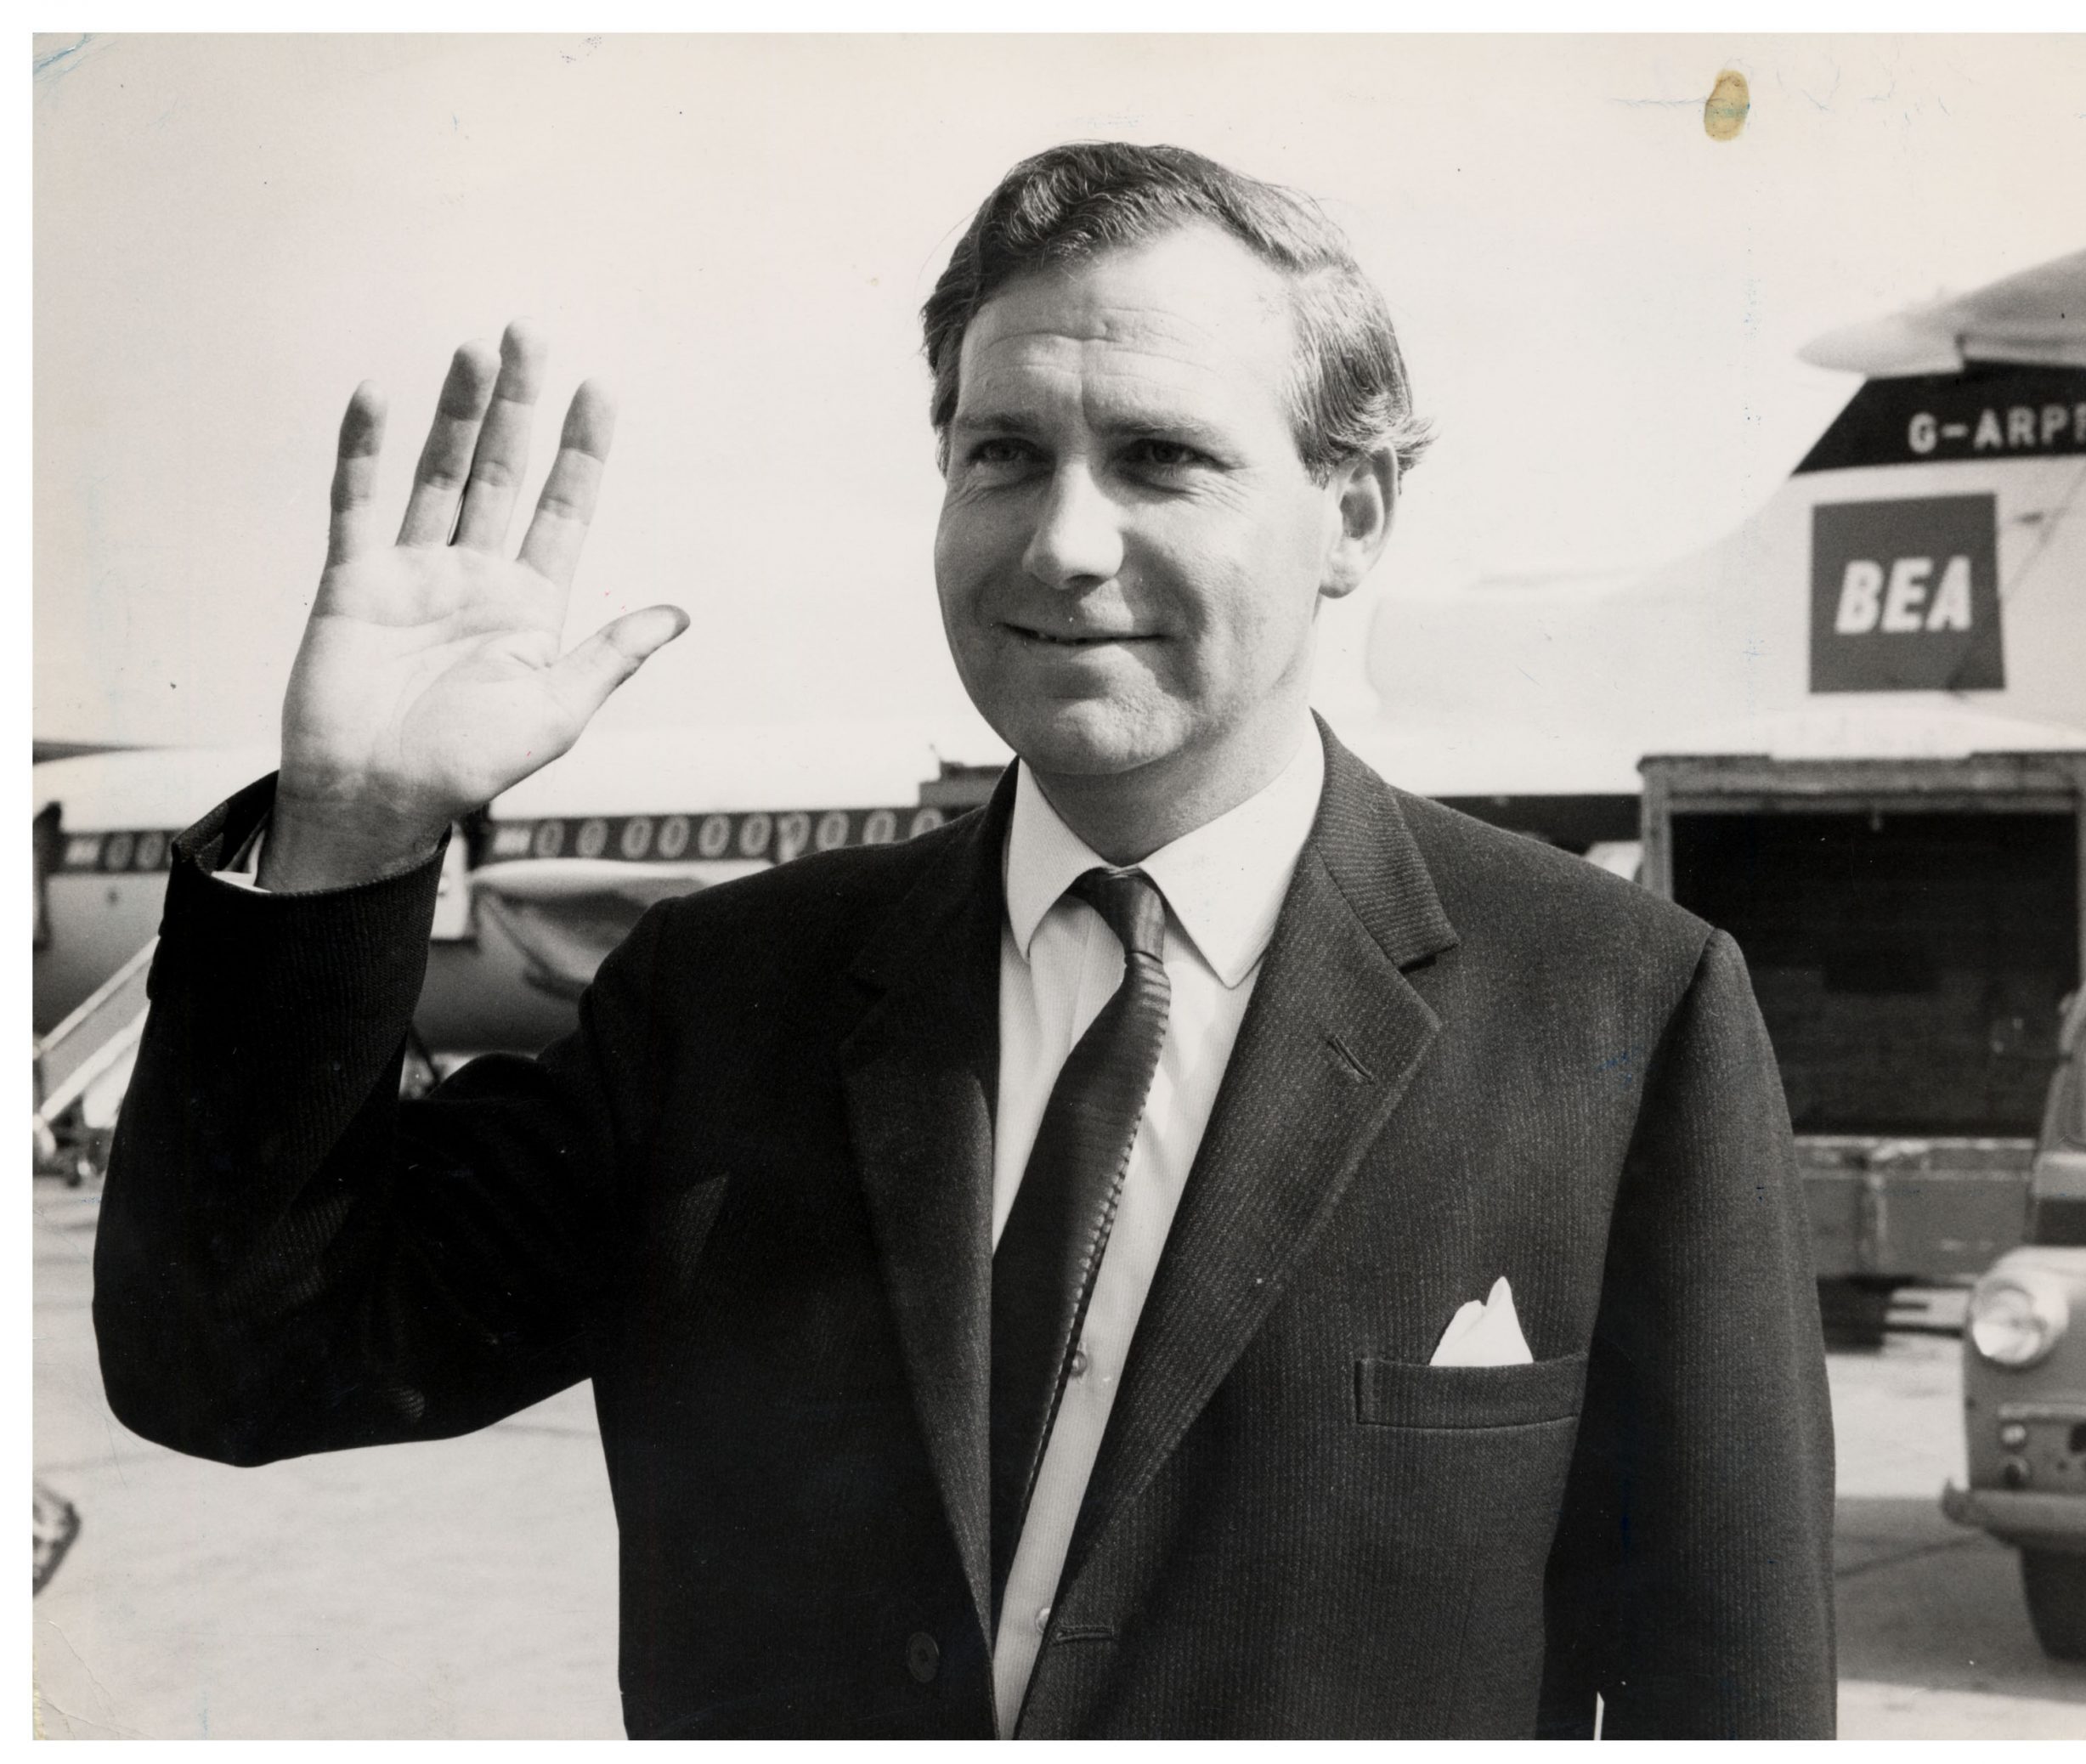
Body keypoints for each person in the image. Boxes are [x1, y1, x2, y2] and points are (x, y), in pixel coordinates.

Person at [94, 142, 1834, 1739]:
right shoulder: (722, 1003)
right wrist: (355, 836)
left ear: (1351, 515)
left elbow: (1723, 1688)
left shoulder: (1617, 1016)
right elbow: (237, 1363)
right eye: (1003, 454)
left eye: (1161, 458)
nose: (1064, 544)